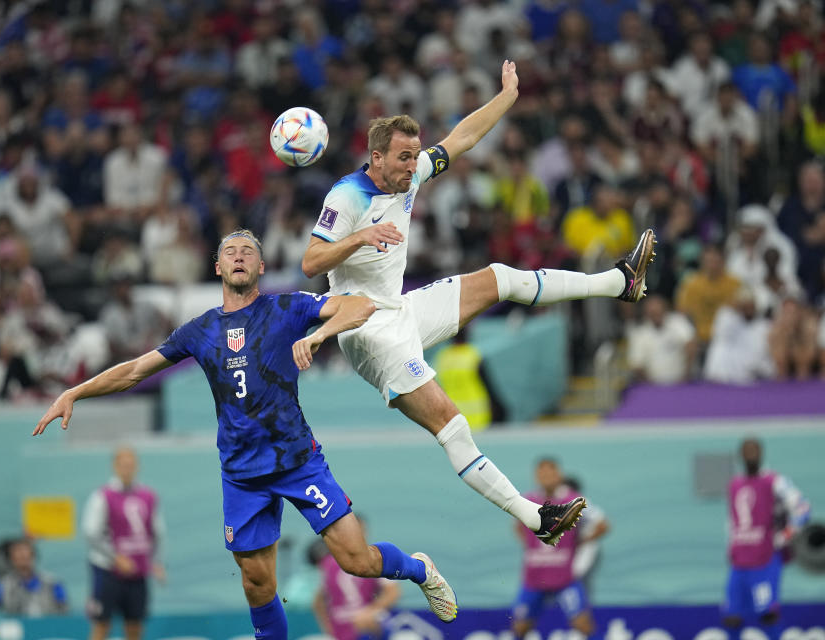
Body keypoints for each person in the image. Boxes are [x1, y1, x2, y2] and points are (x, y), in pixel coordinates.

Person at [34, 230, 458, 638]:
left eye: (248, 251)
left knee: (357, 561)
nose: (239, 256)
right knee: (257, 583)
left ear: (261, 265)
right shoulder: (200, 331)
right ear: (217, 267)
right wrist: (76, 391)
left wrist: (320, 335)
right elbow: (134, 371)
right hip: (242, 473)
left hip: (297, 461)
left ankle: (419, 569)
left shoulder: (287, 308)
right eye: (231, 251)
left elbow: (360, 306)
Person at [302, 60, 656, 543]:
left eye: (414, 156)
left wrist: (507, 96)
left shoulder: (411, 174)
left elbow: (462, 138)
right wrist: (359, 237)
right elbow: (311, 262)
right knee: (452, 425)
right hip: (367, 333)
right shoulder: (346, 197)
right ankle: (538, 519)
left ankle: (619, 281)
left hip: (399, 309)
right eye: (404, 157)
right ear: (376, 157)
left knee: (499, 278)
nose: (413, 165)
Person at [511, 458, 609, 640]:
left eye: (550, 472)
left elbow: (603, 525)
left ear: (559, 475)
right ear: (536, 476)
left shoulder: (573, 500)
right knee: (521, 627)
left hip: (564, 578)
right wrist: (532, 546)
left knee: (582, 624)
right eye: (542, 473)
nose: (546, 477)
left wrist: (579, 541)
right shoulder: (528, 500)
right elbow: (517, 526)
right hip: (535, 577)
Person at [723, 438, 810, 637]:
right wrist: (731, 546)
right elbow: (732, 520)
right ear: (740, 456)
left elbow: (803, 508)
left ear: (761, 454)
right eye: (747, 451)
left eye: (754, 451)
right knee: (732, 618)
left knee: (767, 615)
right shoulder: (735, 484)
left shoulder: (774, 481)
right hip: (740, 560)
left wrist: (783, 536)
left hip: (766, 559)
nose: (750, 455)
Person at [81, 447, 165, 640]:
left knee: (135, 623)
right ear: (115, 466)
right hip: (107, 570)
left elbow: (157, 532)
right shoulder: (103, 496)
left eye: (131, 465)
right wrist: (116, 558)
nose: (127, 469)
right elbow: (91, 532)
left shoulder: (147, 496)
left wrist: (156, 561)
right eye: (123, 465)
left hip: (137, 570)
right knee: (101, 622)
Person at [312, 515, 402, 640]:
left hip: (365, 624)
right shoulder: (330, 563)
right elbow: (318, 601)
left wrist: (371, 610)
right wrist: (328, 627)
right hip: (343, 627)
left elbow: (393, 592)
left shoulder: (375, 558)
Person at [0, 538, 68, 617]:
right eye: (18, 556)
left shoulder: (52, 583)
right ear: (11, 560)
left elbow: (64, 610)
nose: (22, 559)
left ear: (33, 556)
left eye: (25, 556)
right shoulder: (5, 585)